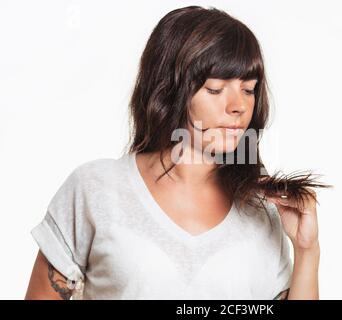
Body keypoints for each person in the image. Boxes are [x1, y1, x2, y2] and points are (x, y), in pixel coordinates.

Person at [25, 5, 324, 300]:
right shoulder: (95, 189)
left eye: (249, 89)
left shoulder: (262, 207)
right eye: (216, 89)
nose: (239, 106)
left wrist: (306, 250)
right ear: (170, 91)